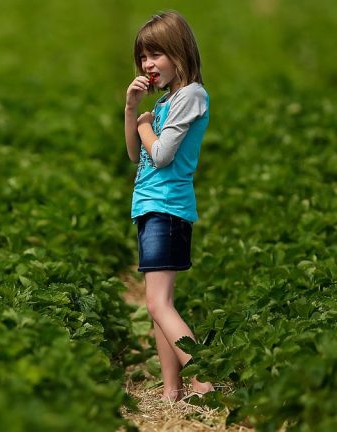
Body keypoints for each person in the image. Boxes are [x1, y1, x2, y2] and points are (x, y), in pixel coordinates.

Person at [124, 11, 214, 401]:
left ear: (179, 53)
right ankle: (171, 391)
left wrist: (145, 126)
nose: (148, 64)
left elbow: (158, 155)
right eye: (143, 57)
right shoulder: (167, 101)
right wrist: (132, 111)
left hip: (167, 206)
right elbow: (133, 155)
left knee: (157, 303)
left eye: (156, 54)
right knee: (161, 302)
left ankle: (204, 381)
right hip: (151, 206)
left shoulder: (191, 95)